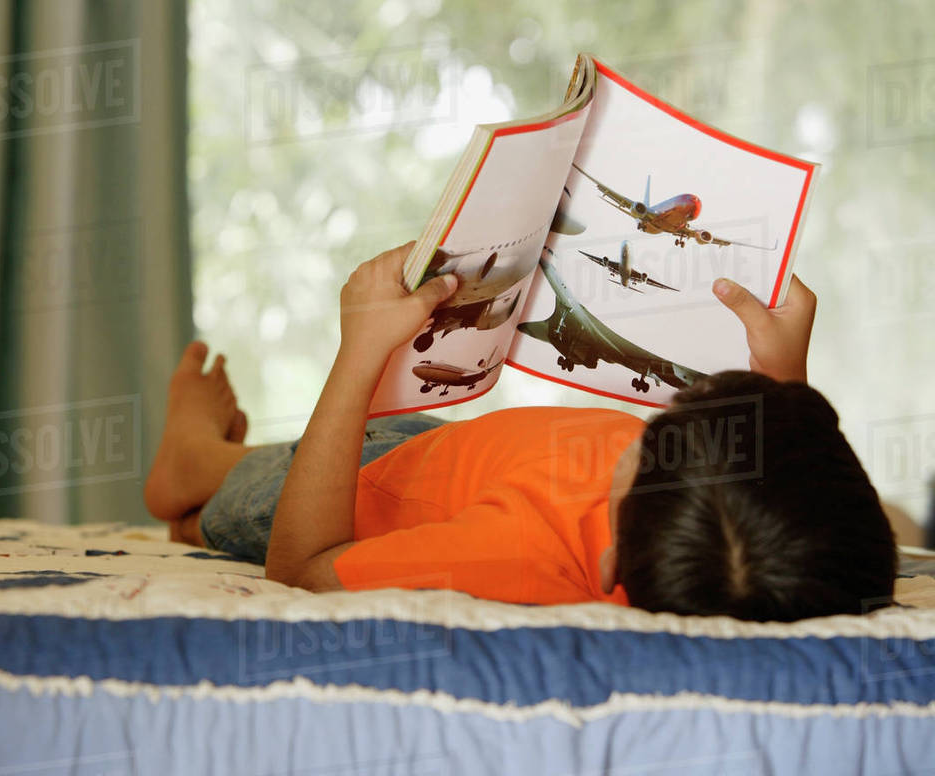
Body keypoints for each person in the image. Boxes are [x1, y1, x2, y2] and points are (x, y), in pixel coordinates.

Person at [144, 242, 897, 621]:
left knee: (238, 492)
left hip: (359, 488)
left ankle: (191, 469)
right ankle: (197, 508)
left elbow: (303, 567)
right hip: (448, 449)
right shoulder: (704, 535)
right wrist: (783, 385)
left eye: (656, 438)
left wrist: (361, 353)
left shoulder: (514, 555)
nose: (663, 417)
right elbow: (787, 520)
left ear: (609, 571)